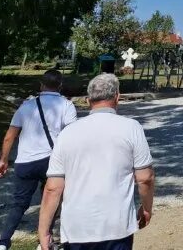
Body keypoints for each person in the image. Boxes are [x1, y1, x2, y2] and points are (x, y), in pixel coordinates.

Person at [38, 73, 155, 250]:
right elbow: (145, 178)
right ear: (117, 97)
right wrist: (146, 208)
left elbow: (53, 187)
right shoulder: (131, 128)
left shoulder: (67, 134)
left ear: (87, 101)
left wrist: (44, 230)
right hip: (117, 225)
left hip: (77, 227)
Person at [0, 69, 77, 250]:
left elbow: (10, 136)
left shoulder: (26, 106)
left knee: (19, 203)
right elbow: (72, 136)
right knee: (52, 201)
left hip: (26, 162)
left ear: (41, 85)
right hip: (53, 161)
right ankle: (44, 241)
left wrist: (4, 160)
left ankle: (3, 242)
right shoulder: (66, 106)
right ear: (60, 86)